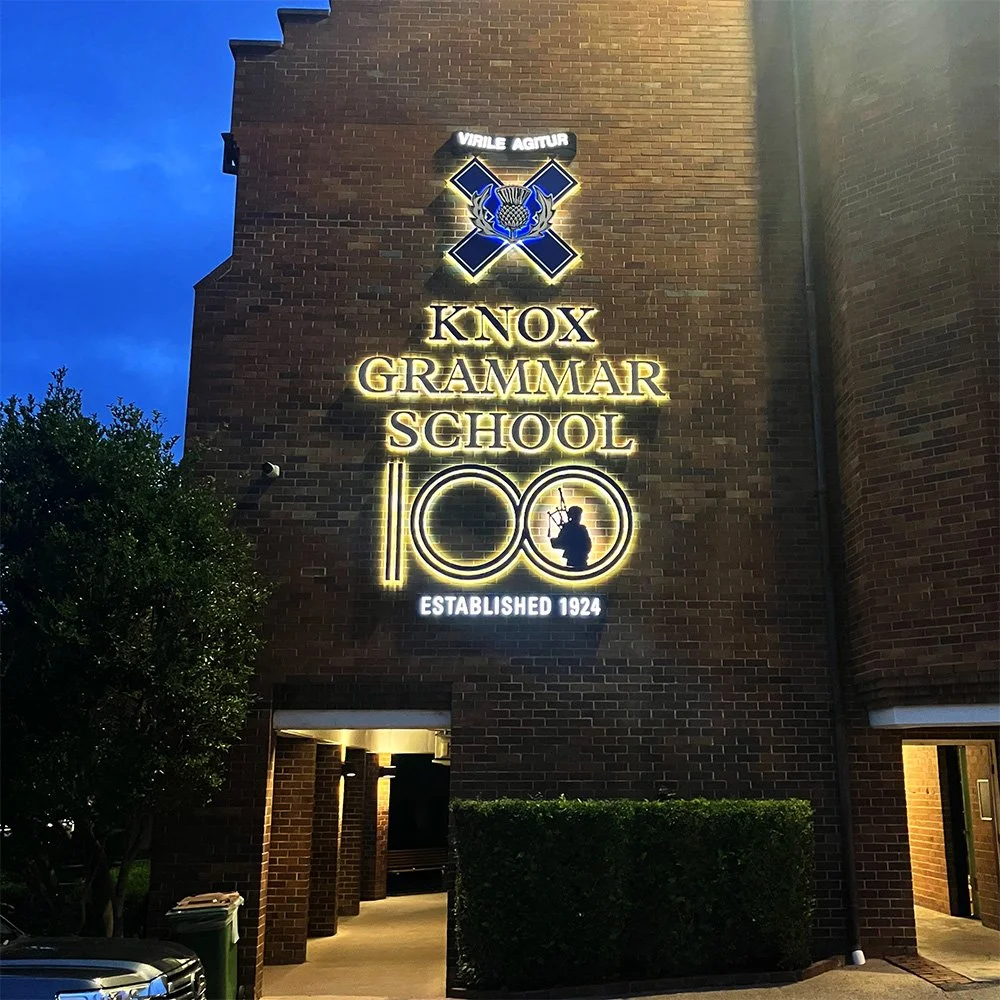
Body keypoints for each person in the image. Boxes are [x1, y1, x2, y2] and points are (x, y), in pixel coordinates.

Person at [550, 505, 591, 569]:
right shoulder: (579, 528)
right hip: (580, 559)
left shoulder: (568, 528)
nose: (579, 517)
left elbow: (560, 543)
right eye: (578, 515)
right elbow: (588, 546)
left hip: (574, 559)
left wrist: (553, 540)